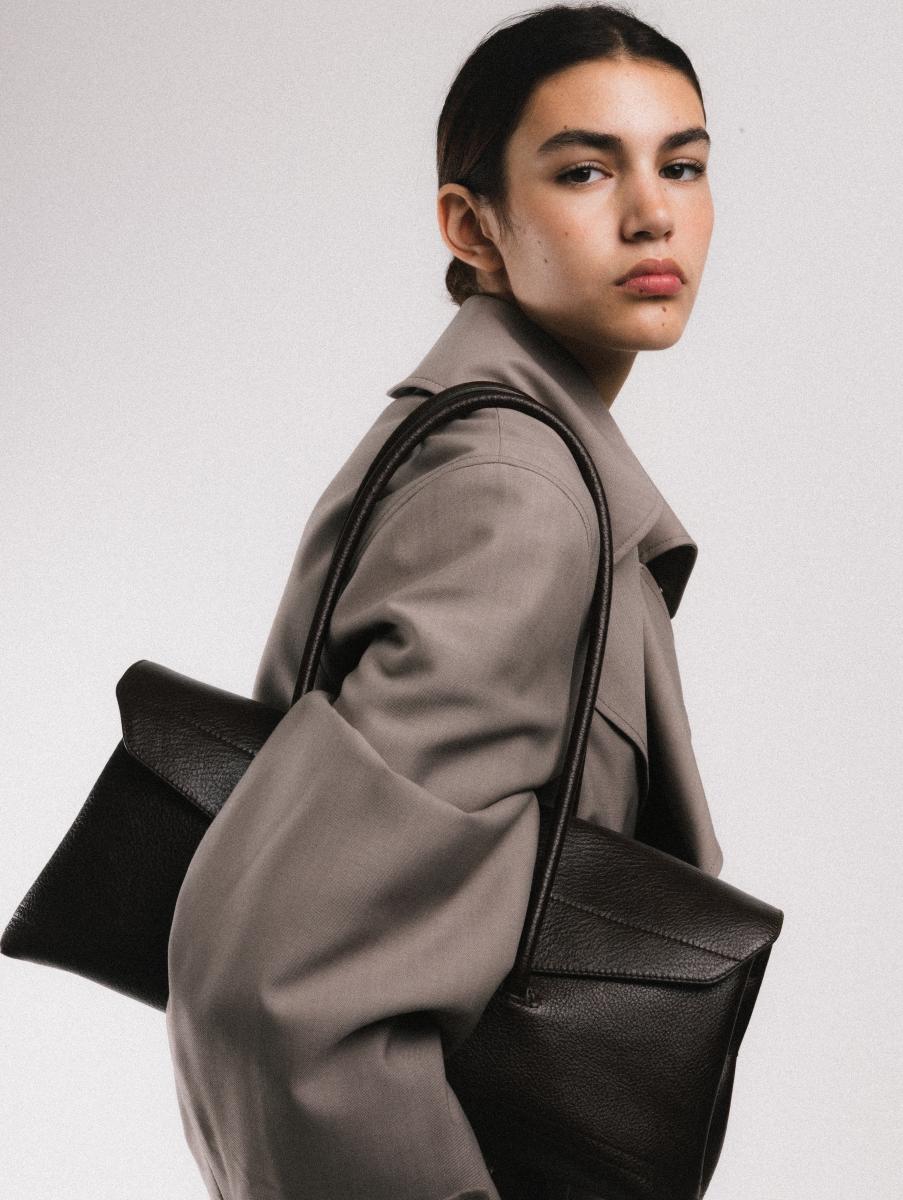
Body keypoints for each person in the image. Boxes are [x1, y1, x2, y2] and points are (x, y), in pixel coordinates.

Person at [164, 5, 724, 1198]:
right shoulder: (514, 499)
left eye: (681, 164)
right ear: (472, 226)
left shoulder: (478, 439)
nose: (653, 213)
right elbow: (285, 991)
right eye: (585, 170)